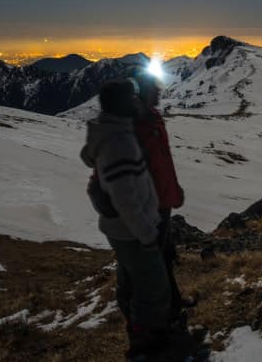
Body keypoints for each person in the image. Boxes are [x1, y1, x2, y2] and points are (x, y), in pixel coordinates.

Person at [82, 78, 173, 359]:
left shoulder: (116, 133)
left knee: (139, 279)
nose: (138, 101)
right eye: (132, 98)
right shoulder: (119, 142)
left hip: (127, 229)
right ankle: (145, 342)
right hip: (132, 231)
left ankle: (145, 334)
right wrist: (147, 233)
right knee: (151, 285)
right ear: (122, 104)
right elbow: (126, 199)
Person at [132, 75, 188, 322]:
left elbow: (163, 161)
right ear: (144, 92)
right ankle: (162, 311)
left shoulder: (153, 117)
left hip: (163, 198)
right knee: (156, 258)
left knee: (164, 254)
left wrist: (174, 189)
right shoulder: (138, 122)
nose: (160, 93)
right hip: (150, 203)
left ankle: (171, 304)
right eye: (155, 89)